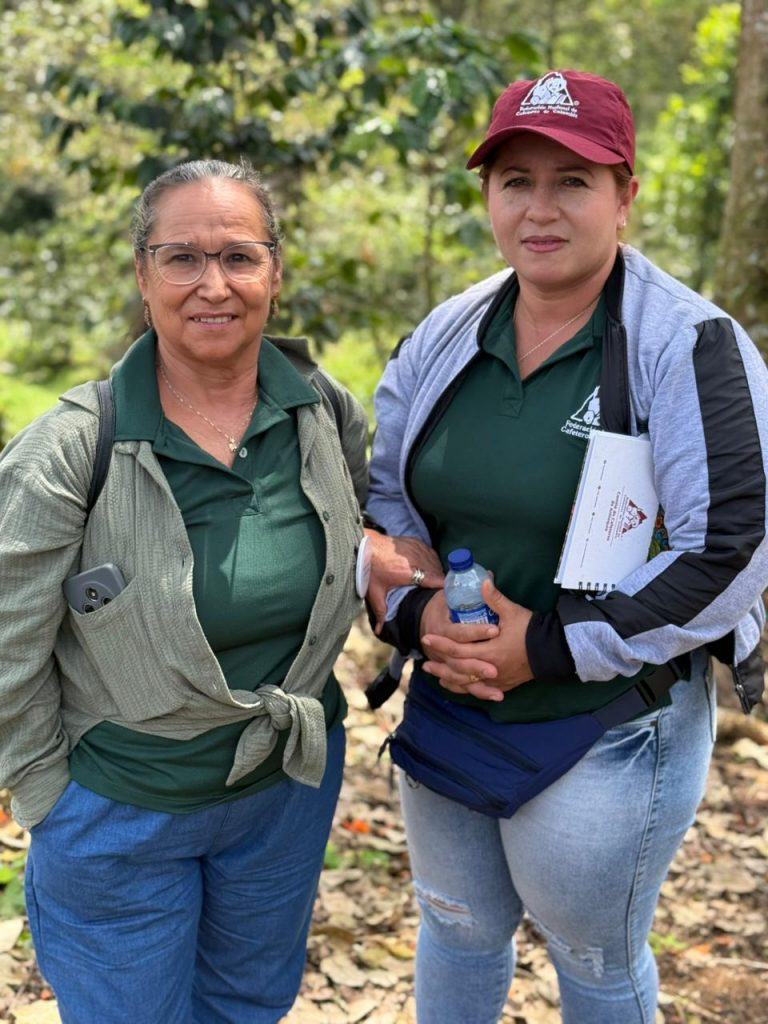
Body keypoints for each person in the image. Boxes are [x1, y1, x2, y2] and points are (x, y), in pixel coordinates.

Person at [366, 70, 768, 1024]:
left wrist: (544, 646)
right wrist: (419, 614)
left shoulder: (687, 346)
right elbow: (386, 496)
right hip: (455, 696)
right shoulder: (449, 332)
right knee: (456, 928)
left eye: (573, 181)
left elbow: (731, 547)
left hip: (607, 721)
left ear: (625, 195)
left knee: (592, 958)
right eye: (516, 181)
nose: (539, 209)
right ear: (488, 196)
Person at [0, 158, 441, 1024]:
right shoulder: (71, 450)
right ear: (143, 275)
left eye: (239, 257)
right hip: (121, 805)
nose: (214, 285)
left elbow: (352, 537)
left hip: (282, 795)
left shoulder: (322, 411)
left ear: (275, 272)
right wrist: (46, 792)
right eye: (182, 258)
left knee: (246, 1006)